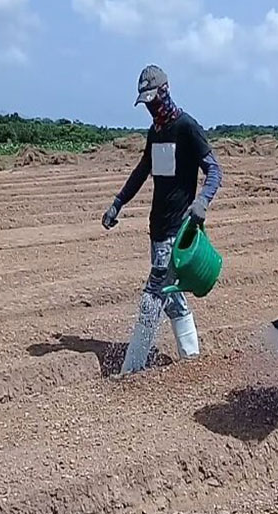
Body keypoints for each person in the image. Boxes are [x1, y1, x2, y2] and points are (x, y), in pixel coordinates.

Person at [102, 64, 222, 374]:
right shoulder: (155, 132)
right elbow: (143, 170)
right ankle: (192, 361)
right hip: (156, 227)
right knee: (173, 298)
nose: (150, 107)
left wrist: (202, 201)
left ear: (166, 92)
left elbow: (214, 170)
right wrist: (118, 202)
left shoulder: (187, 128)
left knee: (154, 293)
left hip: (178, 228)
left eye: (154, 100)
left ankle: (131, 369)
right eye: (146, 102)